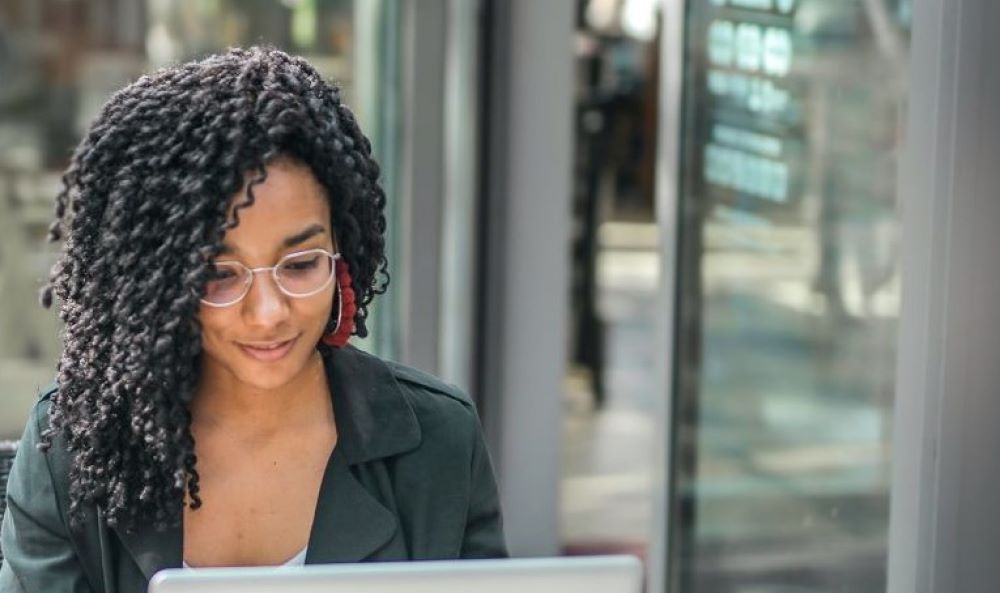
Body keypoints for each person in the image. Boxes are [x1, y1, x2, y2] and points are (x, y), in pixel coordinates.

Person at [0, 46, 507, 593]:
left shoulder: (439, 441)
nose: (269, 313)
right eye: (219, 272)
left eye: (300, 263)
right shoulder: (76, 444)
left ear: (343, 251)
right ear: (158, 277)